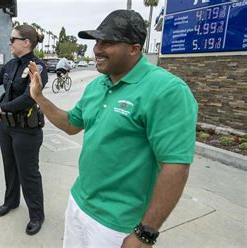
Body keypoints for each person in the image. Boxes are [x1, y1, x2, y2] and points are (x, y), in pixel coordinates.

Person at [27, 9, 198, 247]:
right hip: (79, 204)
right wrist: (38, 97)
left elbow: (176, 167)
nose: (97, 49)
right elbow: (70, 124)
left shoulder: (167, 90)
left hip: (117, 226)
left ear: (134, 49)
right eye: (97, 41)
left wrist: (145, 234)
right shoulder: (97, 85)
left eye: (107, 42)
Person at [0, 24, 48, 235]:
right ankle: (11, 202)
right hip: (6, 126)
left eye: (13, 39)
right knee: (9, 167)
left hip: (26, 130)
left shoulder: (38, 67)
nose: (9, 42)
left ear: (26, 42)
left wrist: (3, 107)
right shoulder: (12, 64)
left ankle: (36, 215)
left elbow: (29, 97)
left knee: (29, 173)